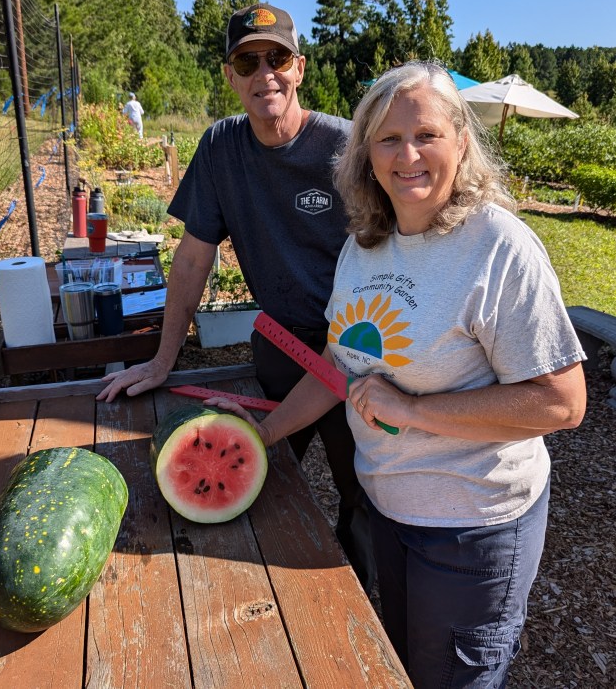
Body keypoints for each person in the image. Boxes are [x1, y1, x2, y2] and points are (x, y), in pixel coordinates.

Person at [205, 60, 587, 688]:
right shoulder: (366, 242)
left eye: (426, 135)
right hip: (390, 510)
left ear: (461, 142)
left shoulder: (500, 247)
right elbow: (336, 361)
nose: (407, 154)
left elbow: (562, 402)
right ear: (365, 154)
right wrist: (263, 435)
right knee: (407, 670)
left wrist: (412, 411)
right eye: (388, 138)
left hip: (472, 528)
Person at [97, 3, 375, 592]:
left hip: (357, 354)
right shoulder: (222, 147)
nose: (263, 74)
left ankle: (364, 603)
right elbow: (195, 256)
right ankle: (266, 602)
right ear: (229, 76)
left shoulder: (347, 148)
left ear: (298, 68)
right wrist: (164, 358)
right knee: (256, 476)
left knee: (368, 494)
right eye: (247, 61)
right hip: (281, 342)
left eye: (276, 58)